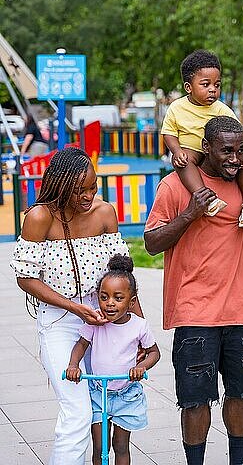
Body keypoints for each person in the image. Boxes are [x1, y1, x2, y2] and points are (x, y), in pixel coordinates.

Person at [145, 115, 243, 465]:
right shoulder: (176, 186)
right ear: (206, 148)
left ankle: (240, 461)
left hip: (242, 307)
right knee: (195, 398)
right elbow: (151, 243)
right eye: (227, 152)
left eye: (241, 151)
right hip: (194, 311)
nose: (236, 159)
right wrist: (190, 214)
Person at [10, 146, 144, 465]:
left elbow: (122, 277)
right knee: (78, 413)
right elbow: (25, 277)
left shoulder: (104, 213)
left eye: (92, 187)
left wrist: (140, 330)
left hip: (105, 319)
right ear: (60, 185)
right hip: (59, 321)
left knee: (106, 408)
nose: (88, 196)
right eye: (79, 189)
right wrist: (75, 308)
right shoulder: (40, 217)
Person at [66, 254, 160, 465]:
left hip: (127, 394)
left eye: (118, 298)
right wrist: (73, 365)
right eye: (104, 297)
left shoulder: (139, 325)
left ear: (132, 301)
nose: (109, 304)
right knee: (100, 446)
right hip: (99, 393)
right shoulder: (96, 322)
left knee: (120, 446)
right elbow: (81, 344)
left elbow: (154, 352)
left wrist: (141, 366)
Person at [161, 49, 243, 229]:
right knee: (183, 161)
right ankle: (205, 197)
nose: (213, 89)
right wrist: (177, 151)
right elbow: (169, 133)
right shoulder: (177, 108)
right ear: (189, 87)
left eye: (217, 84)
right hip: (192, 150)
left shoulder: (222, 109)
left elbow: (238, 133)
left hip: (218, 154)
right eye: (206, 84)